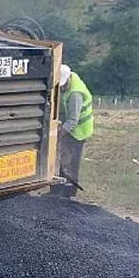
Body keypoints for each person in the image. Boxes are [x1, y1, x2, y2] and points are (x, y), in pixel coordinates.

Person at [57, 64, 94, 197]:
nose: (61, 88)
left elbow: (73, 120)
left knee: (71, 162)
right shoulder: (72, 78)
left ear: (68, 79)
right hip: (73, 128)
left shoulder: (75, 94)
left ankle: (69, 193)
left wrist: (58, 135)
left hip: (79, 131)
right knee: (63, 158)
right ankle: (60, 189)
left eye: (62, 85)